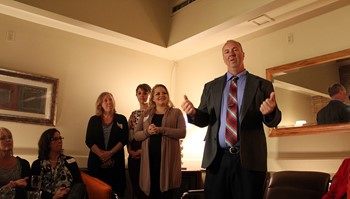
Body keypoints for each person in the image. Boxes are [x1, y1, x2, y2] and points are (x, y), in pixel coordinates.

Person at [181, 40, 282, 199]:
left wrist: (270, 112)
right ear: (223, 58)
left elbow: (274, 121)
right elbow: (204, 119)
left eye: (235, 50)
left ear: (243, 54)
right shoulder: (210, 87)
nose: (231, 54)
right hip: (217, 159)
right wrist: (193, 113)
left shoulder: (262, 85)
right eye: (227, 51)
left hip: (249, 160)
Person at [134, 84, 186, 199]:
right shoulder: (145, 114)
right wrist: (147, 132)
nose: (161, 95)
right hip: (149, 162)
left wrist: (161, 130)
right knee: (151, 192)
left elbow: (182, 133)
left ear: (168, 96)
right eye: (157, 93)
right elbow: (136, 135)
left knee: (167, 194)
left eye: (164, 93)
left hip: (168, 162)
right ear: (152, 97)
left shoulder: (176, 112)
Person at [85, 92, 128, 198]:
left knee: (116, 193)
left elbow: (124, 139)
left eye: (111, 99)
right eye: (106, 100)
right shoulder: (93, 120)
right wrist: (101, 155)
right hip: (96, 164)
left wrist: (110, 153)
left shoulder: (121, 119)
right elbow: (89, 140)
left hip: (116, 164)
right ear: (100, 104)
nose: (109, 102)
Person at [31, 128, 86, 199]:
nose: (60, 141)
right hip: (48, 197)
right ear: (47, 143)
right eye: (55, 139)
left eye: (60, 138)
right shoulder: (37, 164)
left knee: (80, 186)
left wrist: (66, 190)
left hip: (68, 196)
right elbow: (34, 189)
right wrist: (54, 196)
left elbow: (78, 183)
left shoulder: (70, 161)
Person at [127, 83, 151, 199]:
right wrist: (130, 151)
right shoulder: (133, 114)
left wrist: (143, 152)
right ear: (136, 95)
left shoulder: (152, 112)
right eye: (139, 93)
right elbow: (129, 135)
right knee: (136, 188)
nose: (142, 96)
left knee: (147, 189)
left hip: (147, 151)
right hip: (134, 153)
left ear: (149, 94)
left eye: (145, 93)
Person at [0, 127, 30, 199]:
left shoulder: (23, 164)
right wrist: (14, 184)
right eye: (2, 138)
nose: (8, 140)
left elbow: (29, 191)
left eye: (10, 137)